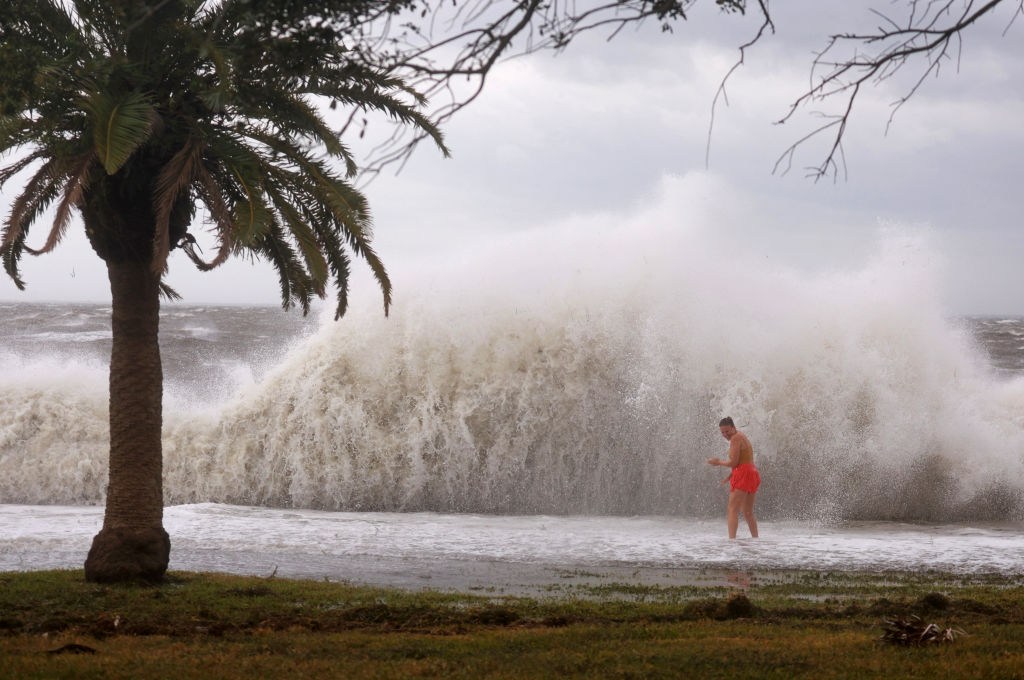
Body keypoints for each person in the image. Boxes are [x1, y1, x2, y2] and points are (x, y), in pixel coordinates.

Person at [706, 416, 760, 539]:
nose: (725, 434)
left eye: (727, 431)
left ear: (733, 428)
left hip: (744, 474)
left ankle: (731, 541)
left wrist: (718, 462)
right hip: (752, 472)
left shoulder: (735, 438)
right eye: (722, 432)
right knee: (747, 512)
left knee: (732, 509)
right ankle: (756, 540)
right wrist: (731, 475)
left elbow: (734, 463)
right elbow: (743, 460)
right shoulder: (741, 435)